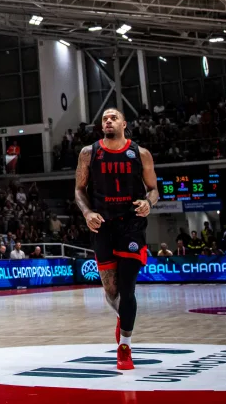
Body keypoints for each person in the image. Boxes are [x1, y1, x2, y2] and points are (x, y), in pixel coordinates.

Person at [75, 107, 158, 371]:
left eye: (113, 118)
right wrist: (87, 212)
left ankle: (125, 347)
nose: (108, 121)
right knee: (112, 292)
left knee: (127, 288)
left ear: (124, 123)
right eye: (104, 119)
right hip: (103, 226)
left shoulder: (140, 153)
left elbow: (154, 190)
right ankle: (125, 317)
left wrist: (148, 202)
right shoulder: (89, 153)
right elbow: (78, 189)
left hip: (132, 226)